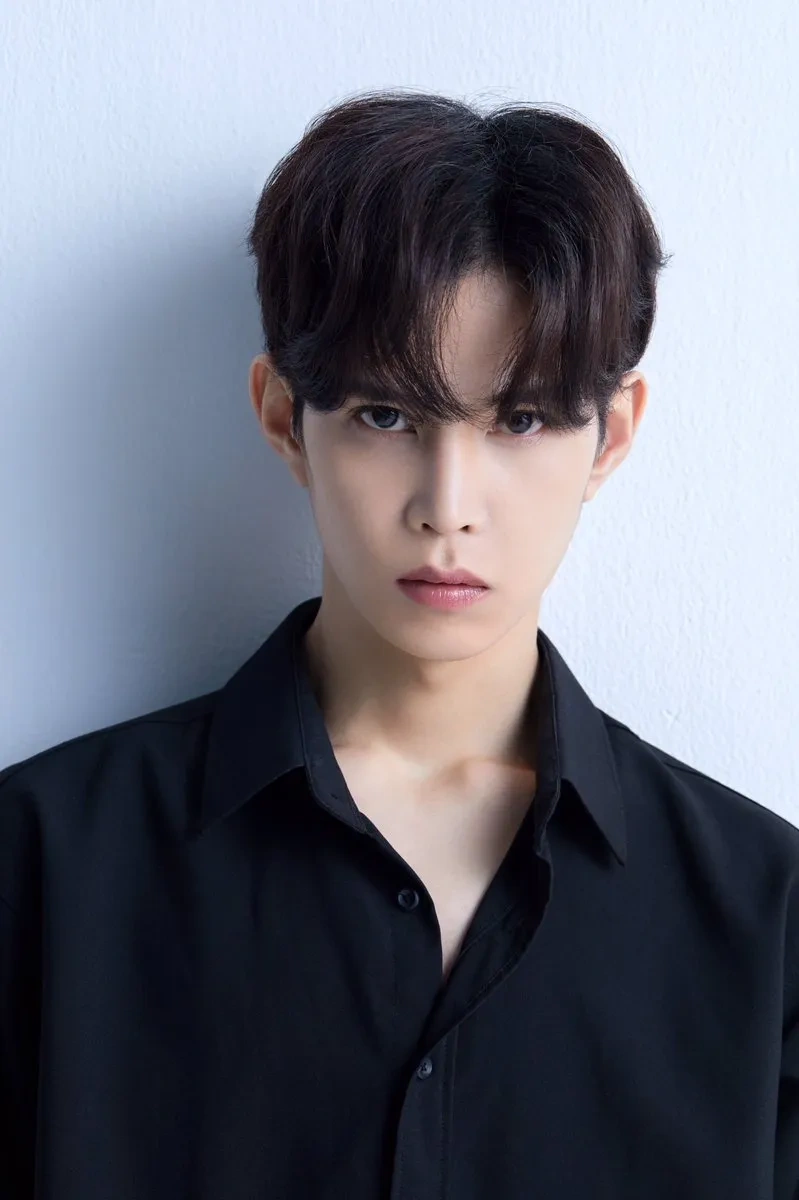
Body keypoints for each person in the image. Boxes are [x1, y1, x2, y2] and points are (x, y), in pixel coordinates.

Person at [1, 87, 797, 1200]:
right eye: (387, 416)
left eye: (520, 420)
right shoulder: (45, 865)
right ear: (283, 417)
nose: (446, 506)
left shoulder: (765, 915)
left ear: (611, 434)